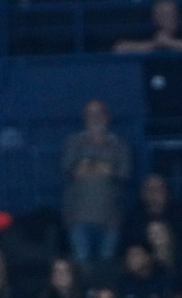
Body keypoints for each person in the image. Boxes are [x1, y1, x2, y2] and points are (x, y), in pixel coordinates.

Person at [115, 0, 182, 208]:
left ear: (178, 17)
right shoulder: (147, 38)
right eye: (161, 14)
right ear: (154, 18)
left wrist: (172, 44)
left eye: (170, 14)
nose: (166, 19)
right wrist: (155, 45)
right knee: (160, 180)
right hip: (160, 124)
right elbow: (119, 48)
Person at [63, 100, 133, 264]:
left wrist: (89, 165)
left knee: (106, 266)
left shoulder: (119, 144)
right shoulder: (73, 143)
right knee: (81, 265)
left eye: (99, 113)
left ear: (107, 117)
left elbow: (124, 173)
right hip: (77, 217)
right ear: (84, 118)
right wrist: (105, 167)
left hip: (111, 219)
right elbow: (70, 170)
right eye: (90, 114)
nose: (95, 118)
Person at [122, 175, 182, 256]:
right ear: (143, 193)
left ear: (167, 192)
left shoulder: (181, 216)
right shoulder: (133, 219)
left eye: (158, 189)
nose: (154, 194)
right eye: (150, 190)